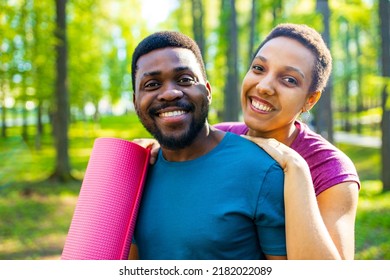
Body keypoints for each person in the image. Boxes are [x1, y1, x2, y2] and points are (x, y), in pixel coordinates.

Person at [130, 31, 286, 260]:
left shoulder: (260, 170)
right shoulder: (131, 174)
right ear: (135, 102)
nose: (170, 93)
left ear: (208, 91)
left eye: (185, 79)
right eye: (152, 84)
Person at [214, 23, 360, 259]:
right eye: (259, 68)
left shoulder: (331, 170)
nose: (264, 87)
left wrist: (295, 167)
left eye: (289, 80)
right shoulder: (220, 138)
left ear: (310, 100)